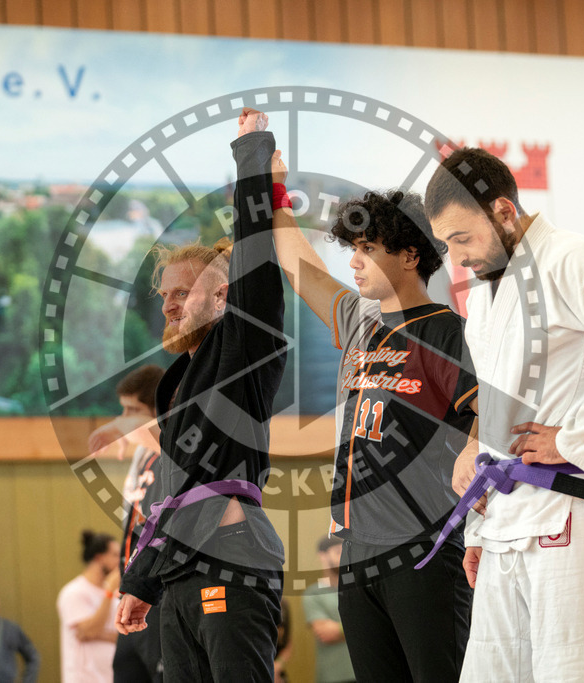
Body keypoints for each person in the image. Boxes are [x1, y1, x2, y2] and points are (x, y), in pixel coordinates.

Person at [426, 146, 584, 682]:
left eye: (463, 238)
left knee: (575, 673)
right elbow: (495, 404)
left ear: (503, 212)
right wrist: (476, 522)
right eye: (448, 243)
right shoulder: (486, 295)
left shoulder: (572, 257)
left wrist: (575, 440)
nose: (458, 256)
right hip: (505, 521)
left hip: (570, 509)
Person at [269, 142, 477, 681]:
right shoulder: (362, 323)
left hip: (423, 549)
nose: (354, 261)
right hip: (356, 551)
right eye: (352, 248)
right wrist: (273, 195)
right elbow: (301, 267)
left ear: (410, 256)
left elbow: (488, 418)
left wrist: (475, 446)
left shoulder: (448, 332)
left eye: (367, 248)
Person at [116, 109, 286, 682]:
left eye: (184, 293)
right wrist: (140, 583)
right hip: (178, 575)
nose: (169, 305)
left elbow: (257, 253)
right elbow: (170, 488)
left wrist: (252, 156)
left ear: (222, 299)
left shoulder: (245, 346)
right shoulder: (177, 385)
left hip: (233, 558)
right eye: (166, 294)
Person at [87, 364, 166, 683]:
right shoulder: (141, 455)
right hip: (132, 589)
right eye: (122, 410)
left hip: (159, 595)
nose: (124, 418)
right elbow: (129, 520)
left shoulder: (174, 455)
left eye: (133, 410)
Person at [57, 530, 122, 683]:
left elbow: (124, 636)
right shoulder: (74, 592)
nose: (120, 561)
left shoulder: (116, 594)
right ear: (99, 558)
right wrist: (108, 593)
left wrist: (101, 634)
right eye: (114, 555)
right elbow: (88, 631)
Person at [301, 537, 355, 683]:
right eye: (338, 552)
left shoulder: (359, 590)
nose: (344, 557)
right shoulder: (313, 593)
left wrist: (339, 628)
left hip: (367, 672)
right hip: (334, 676)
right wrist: (360, 625)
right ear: (322, 556)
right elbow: (326, 634)